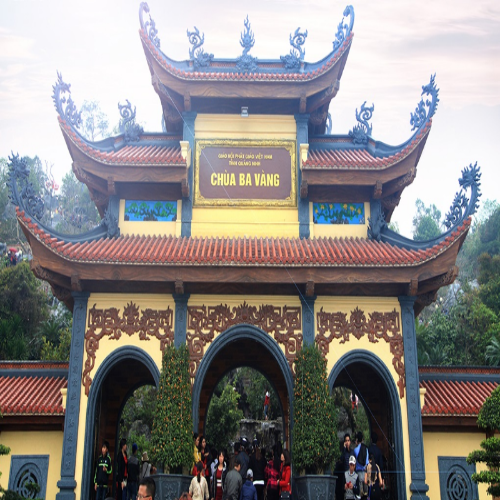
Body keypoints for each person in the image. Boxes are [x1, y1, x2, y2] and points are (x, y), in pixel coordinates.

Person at [354, 432, 369, 499]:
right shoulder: (366, 449)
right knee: (366, 493)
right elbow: (367, 462)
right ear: (362, 439)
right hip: (365, 473)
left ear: (357, 440)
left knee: (359, 494)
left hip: (358, 473)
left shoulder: (355, 450)